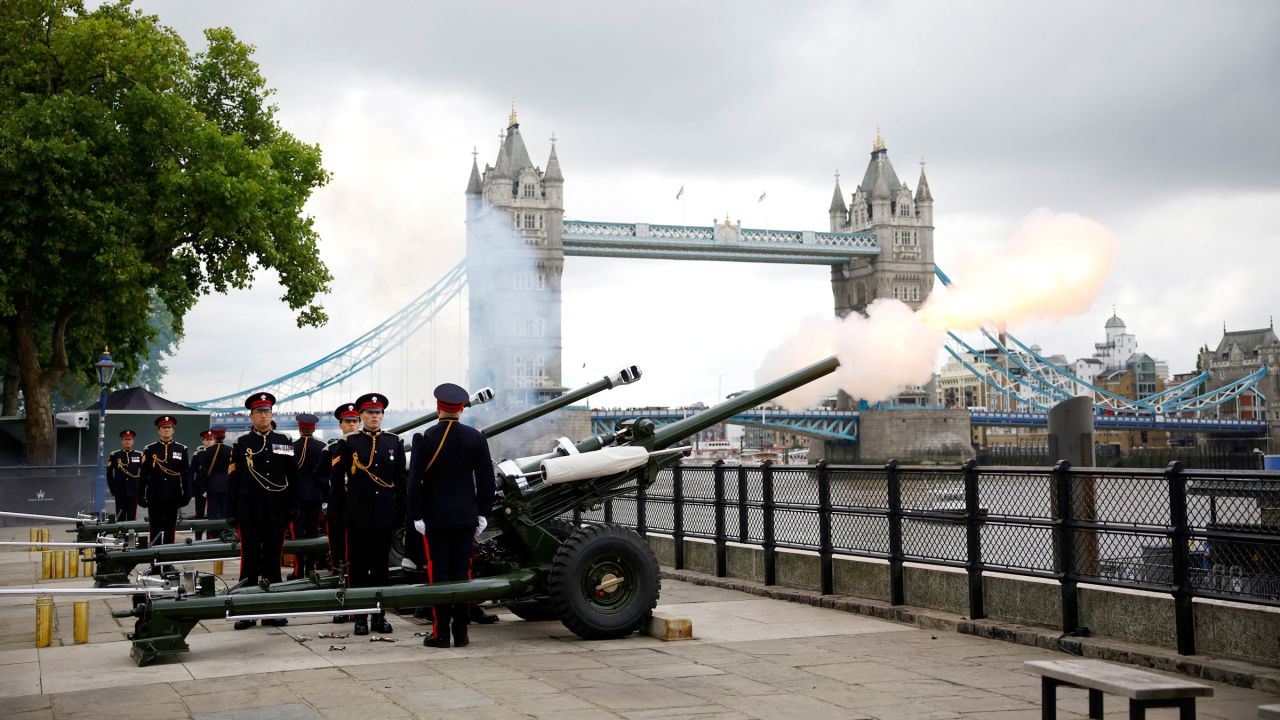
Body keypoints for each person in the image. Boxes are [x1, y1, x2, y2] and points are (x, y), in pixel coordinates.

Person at [409, 383, 495, 648]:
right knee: (463, 575)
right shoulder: (476, 437)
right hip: (466, 518)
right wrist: (482, 514)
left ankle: (440, 634)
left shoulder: (425, 438)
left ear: (438, 408)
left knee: (439, 577)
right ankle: (462, 633)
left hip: (435, 520)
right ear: (461, 409)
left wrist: (417, 516)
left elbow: (414, 483)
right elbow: (486, 481)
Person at [330, 392, 404, 636]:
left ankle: (379, 616)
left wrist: (401, 512)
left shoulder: (394, 442)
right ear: (361, 416)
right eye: (370, 413)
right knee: (359, 569)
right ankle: (360, 617)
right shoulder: (349, 442)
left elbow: (400, 481)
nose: (374, 417)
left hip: (384, 515)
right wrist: (339, 514)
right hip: (357, 515)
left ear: (383, 416)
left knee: (381, 568)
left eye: (378, 413)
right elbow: (337, 481)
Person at [227, 392, 299, 629]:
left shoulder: (284, 441)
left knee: (272, 561)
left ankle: (273, 610)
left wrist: (293, 506)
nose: (263, 415)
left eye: (267, 411)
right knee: (248, 561)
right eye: (259, 411)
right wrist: (231, 511)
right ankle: (246, 612)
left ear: (272, 414)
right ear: (251, 416)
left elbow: (292, 476)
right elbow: (234, 479)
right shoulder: (242, 443)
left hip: (276, 509)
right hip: (249, 510)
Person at [326, 402, 361, 623]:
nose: (352, 425)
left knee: (358, 562)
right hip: (339, 512)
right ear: (341, 425)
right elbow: (318, 476)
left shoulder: (369, 445)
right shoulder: (330, 449)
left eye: (355, 421)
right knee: (339, 560)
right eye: (348, 422)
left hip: (359, 513)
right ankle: (340, 604)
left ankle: (359, 607)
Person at [139, 415, 191, 545]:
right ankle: (155, 564)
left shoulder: (181, 449)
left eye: (169, 427)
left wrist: (187, 494)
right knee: (154, 530)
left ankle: (167, 564)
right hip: (154, 495)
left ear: (173, 430)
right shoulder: (150, 449)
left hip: (173, 495)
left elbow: (185, 474)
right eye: (163, 427)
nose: (166, 430)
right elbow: (144, 475)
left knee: (170, 531)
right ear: (158, 430)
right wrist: (140, 495)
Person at [291, 413, 326, 579]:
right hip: (316, 495)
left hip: (296, 495)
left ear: (299, 428)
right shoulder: (322, 446)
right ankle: (311, 568)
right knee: (313, 532)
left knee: (297, 533)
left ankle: (298, 570)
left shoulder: (288, 447)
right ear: (314, 428)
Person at [107, 429, 143, 521]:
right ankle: (121, 534)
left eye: (129, 439)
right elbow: (109, 474)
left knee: (132, 515)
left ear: (133, 441)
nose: (127, 441)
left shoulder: (139, 455)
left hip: (133, 490)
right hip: (119, 490)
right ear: (122, 441)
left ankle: (130, 534)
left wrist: (140, 488)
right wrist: (113, 489)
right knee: (120, 515)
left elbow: (144, 473)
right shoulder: (115, 455)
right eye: (125, 439)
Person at [200, 426, 233, 525]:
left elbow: (204, 472)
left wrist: (203, 487)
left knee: (212, 513)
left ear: (213, 436)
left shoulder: (207, 451)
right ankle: (224, 536)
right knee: (225, 512)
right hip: (227, 485)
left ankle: (213, 536)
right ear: (224, 436)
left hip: (212, 486)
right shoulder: (230, 450)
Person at [189, 430, 214, 539]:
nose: (209, 442)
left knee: (212, 514)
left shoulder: (217, 452)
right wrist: (191, 488)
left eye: (210, 440)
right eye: (206, 440)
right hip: (200, 488)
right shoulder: (198, 454)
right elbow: (192, 472)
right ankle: (198, 537)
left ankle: (211, 537)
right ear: (203, 441)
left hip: (213, 487)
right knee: (199, 514)